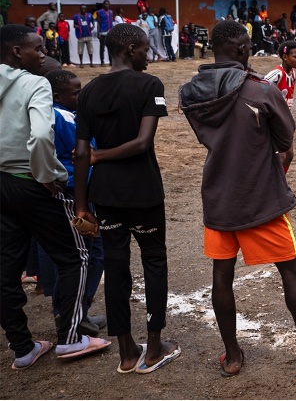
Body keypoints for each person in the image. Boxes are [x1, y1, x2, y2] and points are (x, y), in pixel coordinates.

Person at [180, 21, 296, 376]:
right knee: (291, 269)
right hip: (260, 196)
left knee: (221, 275)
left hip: (217, 195)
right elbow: (284, 139)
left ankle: (231, 356)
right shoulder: (259, 90)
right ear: (243, 49)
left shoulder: (191, 93)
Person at [0, 25, 111, 368]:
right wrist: (49, 176)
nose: (43, 53)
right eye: (37, 48)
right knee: (75, 256)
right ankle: (70, 338)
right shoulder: (34, 84)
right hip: (32, 183)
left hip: (1, 183)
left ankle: (22, 347)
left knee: (6, 268)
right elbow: (40, 138)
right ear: (18, 52)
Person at [72, 23, 179, 374]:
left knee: (116, 267)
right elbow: (142, 143)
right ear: (130, 49)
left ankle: (127, 352)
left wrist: (82, 205)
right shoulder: (150, 85)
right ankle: (154, 347)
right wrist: (101, 158)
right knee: (153, 262)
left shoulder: (87, 92)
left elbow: (80, 153)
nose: (149, 55)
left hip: (105, 195)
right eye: (145, 49)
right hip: (143, 191)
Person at [40, 70, 107, 337]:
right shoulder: (63, 117)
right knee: (86, 255)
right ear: (57, 96)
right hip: (74, 193)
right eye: (76, 93)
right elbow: (87, 150)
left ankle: (77, 311)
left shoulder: (62, 114)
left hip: (76, 191)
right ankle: (71, 315)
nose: (81, 96)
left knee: (89, 254)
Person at [264, 41, 296, 173]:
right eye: (295, 57)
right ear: (285, 57)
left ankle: (280, 184)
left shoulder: (292, 73)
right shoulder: (277, 74)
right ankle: (275, 187)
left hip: (284, 119)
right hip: (274, 120)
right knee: (280, 156)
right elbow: (260, 87)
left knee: (289, 155)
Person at [96, 0, 114, 66]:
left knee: (110, 48)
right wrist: (98, 32)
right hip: (102, 32)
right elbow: (98, 22)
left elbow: (111, 22)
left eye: (108, 4)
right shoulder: (99, 12)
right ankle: (102, 62)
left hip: (110, 32)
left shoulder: (111, 12)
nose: (107, 5)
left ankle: (111, 62)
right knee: (102, 48)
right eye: (106, 4)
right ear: (103, 5)